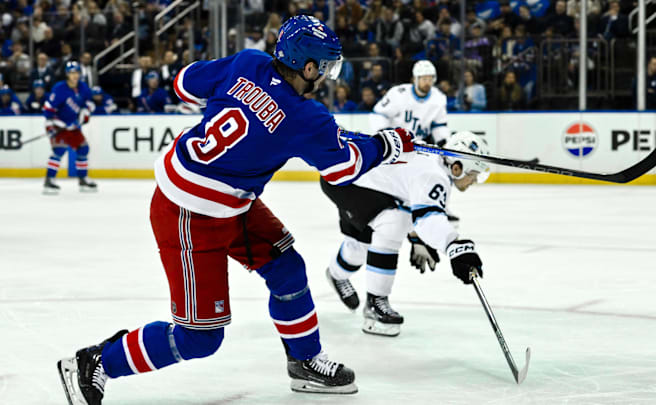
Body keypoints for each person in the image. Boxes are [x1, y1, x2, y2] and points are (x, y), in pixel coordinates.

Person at [57, 15, 414, 404]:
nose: (327, 75)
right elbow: (344, 166)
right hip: (187, 214)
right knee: (200, 337)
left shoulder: (249, 63)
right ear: (308, 67)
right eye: (326, 66)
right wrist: (388, 144)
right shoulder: (305, 118)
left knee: (287, 267)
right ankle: (95, 362)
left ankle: (304, 361)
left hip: (229, 201)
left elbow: (185, 83)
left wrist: (242, 104)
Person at [322, 131, 489, 336]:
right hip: (349, 183)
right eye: (473, 175)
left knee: (361, 246)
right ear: (457, 168)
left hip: (350, 180)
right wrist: (454, 246)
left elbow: (408, 195)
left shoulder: (433, 161)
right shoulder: (434, 174)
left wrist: (417, 238)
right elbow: (426, 217)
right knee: (395, 221)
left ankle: (336, 275)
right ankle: (375, 302)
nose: (474, 181)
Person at [42, 61, 97, 194]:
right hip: (57, 126)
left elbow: (90, 103)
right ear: (67, 74)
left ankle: (83, 179)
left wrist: (86, 111)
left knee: (83, 149)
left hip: (72, 127)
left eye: (76, 72)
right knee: (59, 151)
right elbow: (48, 109)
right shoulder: (59, 88)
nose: (75, 75)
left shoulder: (83, 87)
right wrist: (56, 123)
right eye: (72, 73)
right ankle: (49, 180)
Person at [370, 60, 449, 144]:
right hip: (397, 144)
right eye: (424, 79)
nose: (427, 83)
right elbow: (378, 115)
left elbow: (439, 125)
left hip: (421, 145)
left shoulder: (439, 98)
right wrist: (387, 135)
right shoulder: (398, 93)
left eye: (430, 79)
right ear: (415, 79)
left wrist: (443, 141)